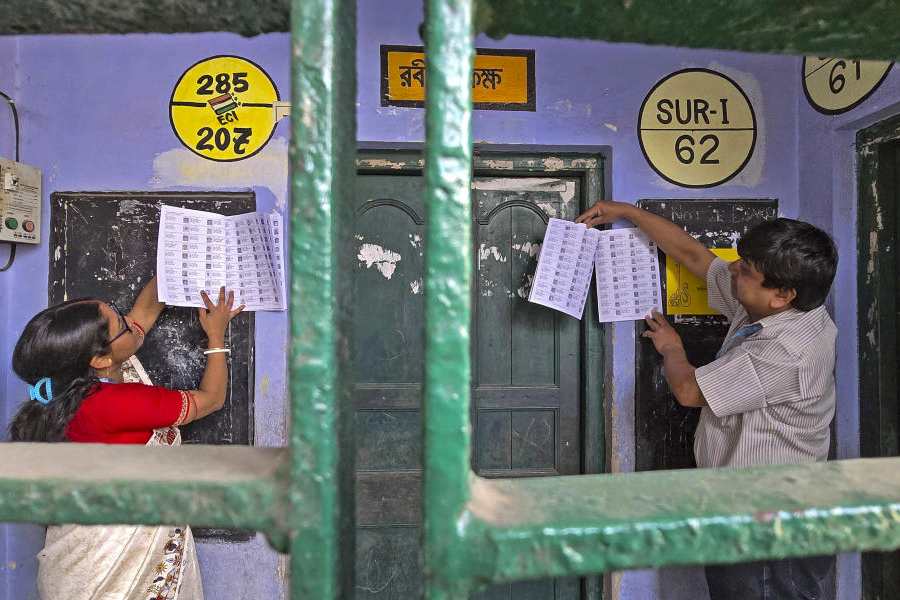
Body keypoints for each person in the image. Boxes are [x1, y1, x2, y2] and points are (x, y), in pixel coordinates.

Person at [577, 201, 838, 600]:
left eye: (745, 270)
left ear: (782, 295)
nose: (734, 270)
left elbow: (689, 392)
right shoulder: (769, 309)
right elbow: (696, 257)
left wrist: (672, 350)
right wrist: (628, 212)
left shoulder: (786, 349)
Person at [9, 277, 244, 600]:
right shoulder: (120, 403)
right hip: (113, 566)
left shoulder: (68, 390)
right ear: (101, 359)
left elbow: (144, 312)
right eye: (120, 323)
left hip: (76, 568)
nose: (130, 324)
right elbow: (212, 399)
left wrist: (173, 268)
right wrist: (216, 335)